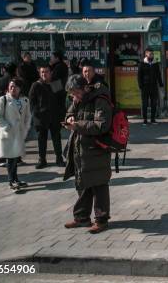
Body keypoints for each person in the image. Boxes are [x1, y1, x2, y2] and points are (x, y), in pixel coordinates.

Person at [62, 75, 113, 234]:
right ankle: (82, 217)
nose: (74, 97)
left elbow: (102, 125)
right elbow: (71, 111)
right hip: (80, 149)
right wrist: (69, 117)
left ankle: (101, 220)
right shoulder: (78, 99)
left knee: (99, 185)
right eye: (72, 94)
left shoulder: (100, 99)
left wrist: (78, 125)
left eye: (76, 93)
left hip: (97, 149)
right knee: (83, 183)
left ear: (85, 88)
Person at [0, 78, 31, 191]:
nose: (13, 88)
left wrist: (25, 128)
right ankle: (11, 181)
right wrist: (7, 127)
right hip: (8, 134)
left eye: (15, 86)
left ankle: (15, 179)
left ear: (20, 88)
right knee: (10, 158)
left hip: (18, 134)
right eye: (11, 86)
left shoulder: (25, 100)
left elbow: (28, 116)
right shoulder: (3, 99)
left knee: (15, 158)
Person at [29, 66, 65, 169]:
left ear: (51, 72)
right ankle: (42, 160)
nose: (44, 74)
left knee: (56, 138)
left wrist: (62, 115)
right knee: (41, 139)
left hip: (55, 117)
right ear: (40, 73)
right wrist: (37, 114)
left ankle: (59, 158)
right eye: (42, 72)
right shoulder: (36, 85)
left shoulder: (56, 84)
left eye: (46, 72)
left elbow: (61, 100)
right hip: (41, 118)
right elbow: (32, 102)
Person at [0, 62, 17, 167]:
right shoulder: (17, 82)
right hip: (13, 111)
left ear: (4, 70)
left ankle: (0, 158)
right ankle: (16, 157)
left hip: (0, 110)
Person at [137, 49, 163, 125]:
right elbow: (139, 76)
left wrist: (160, 84)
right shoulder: (142, 64)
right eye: (150, 54)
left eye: (152, 54)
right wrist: (140, 85)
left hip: (154, 86)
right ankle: (145, 120)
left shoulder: (155, 64)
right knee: (144, 103)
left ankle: (153, 119)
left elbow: (158, 74)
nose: (152, 55)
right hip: (145, 87)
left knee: (154, 103)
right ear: (146, 54)